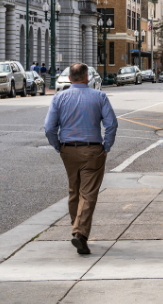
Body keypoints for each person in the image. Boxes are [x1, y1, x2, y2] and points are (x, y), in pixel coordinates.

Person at [44, 63, 117, 255]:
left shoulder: (59, 98)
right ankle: (80, 234)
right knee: (88, 194)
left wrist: (58, 146)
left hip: (68, 150)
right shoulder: (99, 96)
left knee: (74, 191)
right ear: (86, 78)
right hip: (93, 149)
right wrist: (106, 146)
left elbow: (49, 128)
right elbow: (112, 124)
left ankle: (77, 228)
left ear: (69, 78)